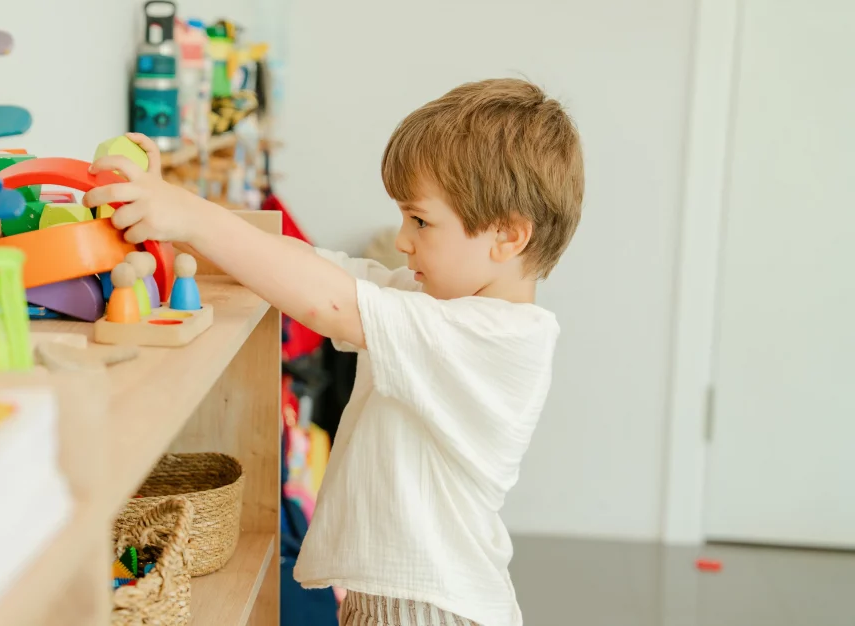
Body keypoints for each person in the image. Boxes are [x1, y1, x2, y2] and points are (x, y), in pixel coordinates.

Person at [84, 77, 585, 626]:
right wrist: (174, 216)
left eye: (420, 219)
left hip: (432, 610)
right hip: (396, 601)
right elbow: (310, 269)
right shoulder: (429, 302)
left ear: (508, 236)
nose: (402, 238)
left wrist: (190, 217)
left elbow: (332, 304)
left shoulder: (496, 335)